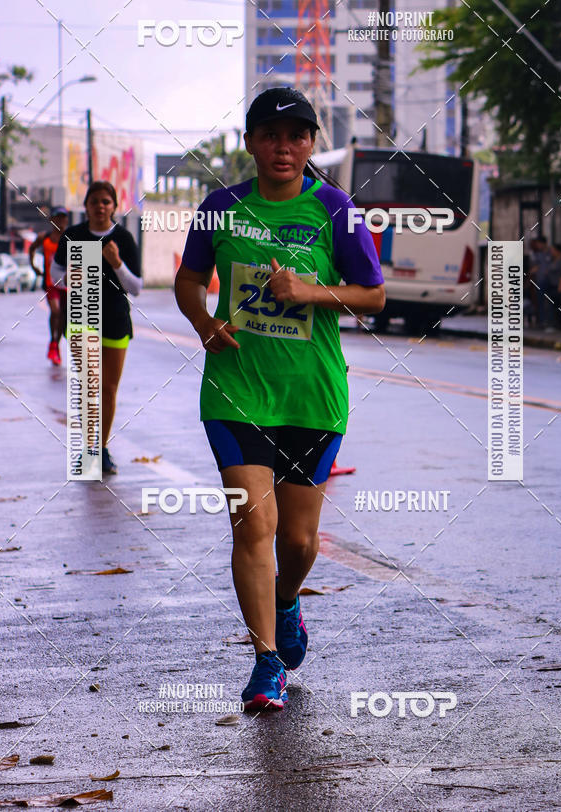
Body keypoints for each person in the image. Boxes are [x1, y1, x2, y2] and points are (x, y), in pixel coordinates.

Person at [175, 87, 385, 712]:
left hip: (311, 397)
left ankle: (287, 600)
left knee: (297, 542)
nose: (283, 147)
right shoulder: (220, 208)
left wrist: (309, 291)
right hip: (236, 391)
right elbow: (189, 279)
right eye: (270, 135)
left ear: (311, 143)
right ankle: (267, 661)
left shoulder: (337, 210)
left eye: (296, 135)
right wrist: (202, 321)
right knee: (253, 525)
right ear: (251, 143)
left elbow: (374, 296)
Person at [51, 181, 142, 475]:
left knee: (108, 388)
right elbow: (54, 273)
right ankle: (89, 451)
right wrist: (70, 276)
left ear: (113, 206)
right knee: (90, 386)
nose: (100, 207)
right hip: (82, 318)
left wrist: (116, 262)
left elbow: (136, 287)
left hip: (115, 319)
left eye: (106, 201)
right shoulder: (73, 236)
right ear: (86, 206)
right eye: (94, 201)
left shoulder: (123, 238)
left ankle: (101, 449)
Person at [29, 206, 69, 365]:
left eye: (63, 217)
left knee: (63, 315)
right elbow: (32, 249)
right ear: (52, 219)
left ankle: (56, 345)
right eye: (57, 217)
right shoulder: (44, 237)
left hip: (67, 284)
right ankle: (53, 342)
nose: (61, 220)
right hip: (50, 283)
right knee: (55, 311)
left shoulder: (71, 237)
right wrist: (34, 267)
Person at [545, 243, 561, 332]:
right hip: (551, 285)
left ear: (558, 251)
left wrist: (560, 286)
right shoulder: (553, 260)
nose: (551, 252)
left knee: (557, 305)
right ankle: (554, 323)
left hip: (557, 286)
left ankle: (558, 324)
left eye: (553, 250)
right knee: (552, 305)